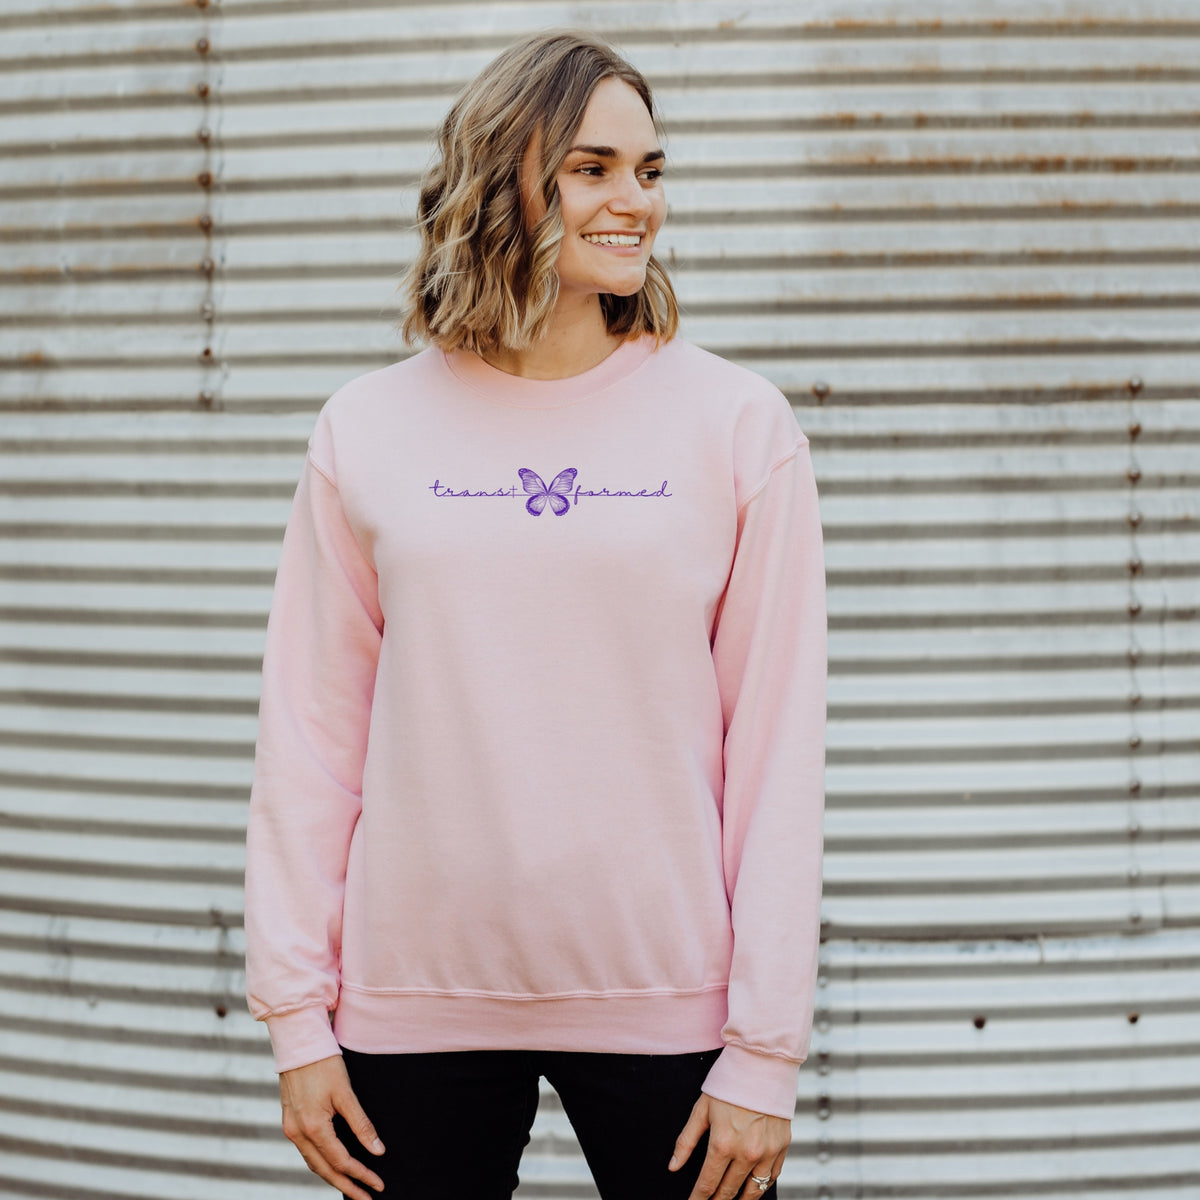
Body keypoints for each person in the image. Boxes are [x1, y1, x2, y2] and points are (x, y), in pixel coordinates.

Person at [243, 28, 827, 1200]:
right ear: (505, 173)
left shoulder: (735, 425)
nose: (635, 203)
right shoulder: (366, 427)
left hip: (672, 1002)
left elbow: (778, 749)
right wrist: (297, 1019)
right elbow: (310, 737)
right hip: (412, 1002)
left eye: (651, 171)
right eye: (593, 168)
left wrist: (766, 1049)